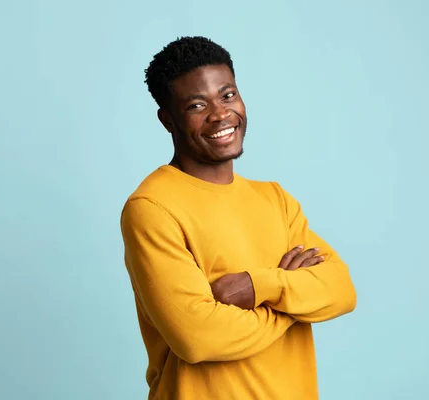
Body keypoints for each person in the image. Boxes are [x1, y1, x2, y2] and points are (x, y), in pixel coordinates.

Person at [120, 36, 357, 400]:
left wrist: (258, 288)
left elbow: (341, 290)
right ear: (167, 120)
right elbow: (197, 337)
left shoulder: (275, 199)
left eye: (228, 95)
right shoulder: (152, 207)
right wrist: (294, 304)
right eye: (197, 105)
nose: (220, 114)